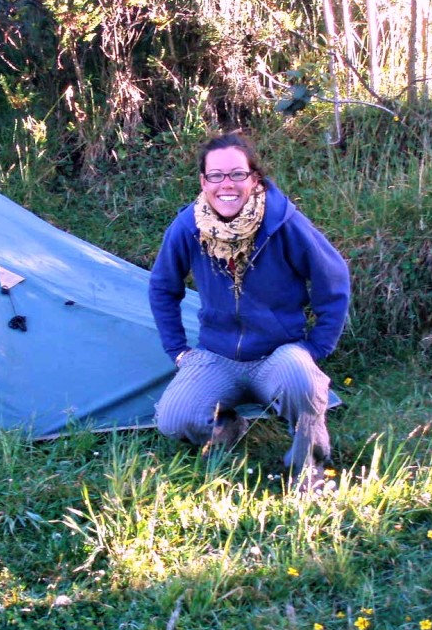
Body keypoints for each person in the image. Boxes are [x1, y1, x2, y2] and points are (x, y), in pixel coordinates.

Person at [149, 130, 350, 492]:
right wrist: (177, 350)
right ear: (203, 181)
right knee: (172, 419)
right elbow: (163, 287)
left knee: (304, 383)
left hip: (279, 354)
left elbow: (333, 279)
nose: (227, 184)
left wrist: (316, 348)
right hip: (216, 356)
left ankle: (309, 467)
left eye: (237, 174)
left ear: (253, 178)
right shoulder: (188, 226)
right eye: (216, 175)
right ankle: (227, 430)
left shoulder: (283, 223)